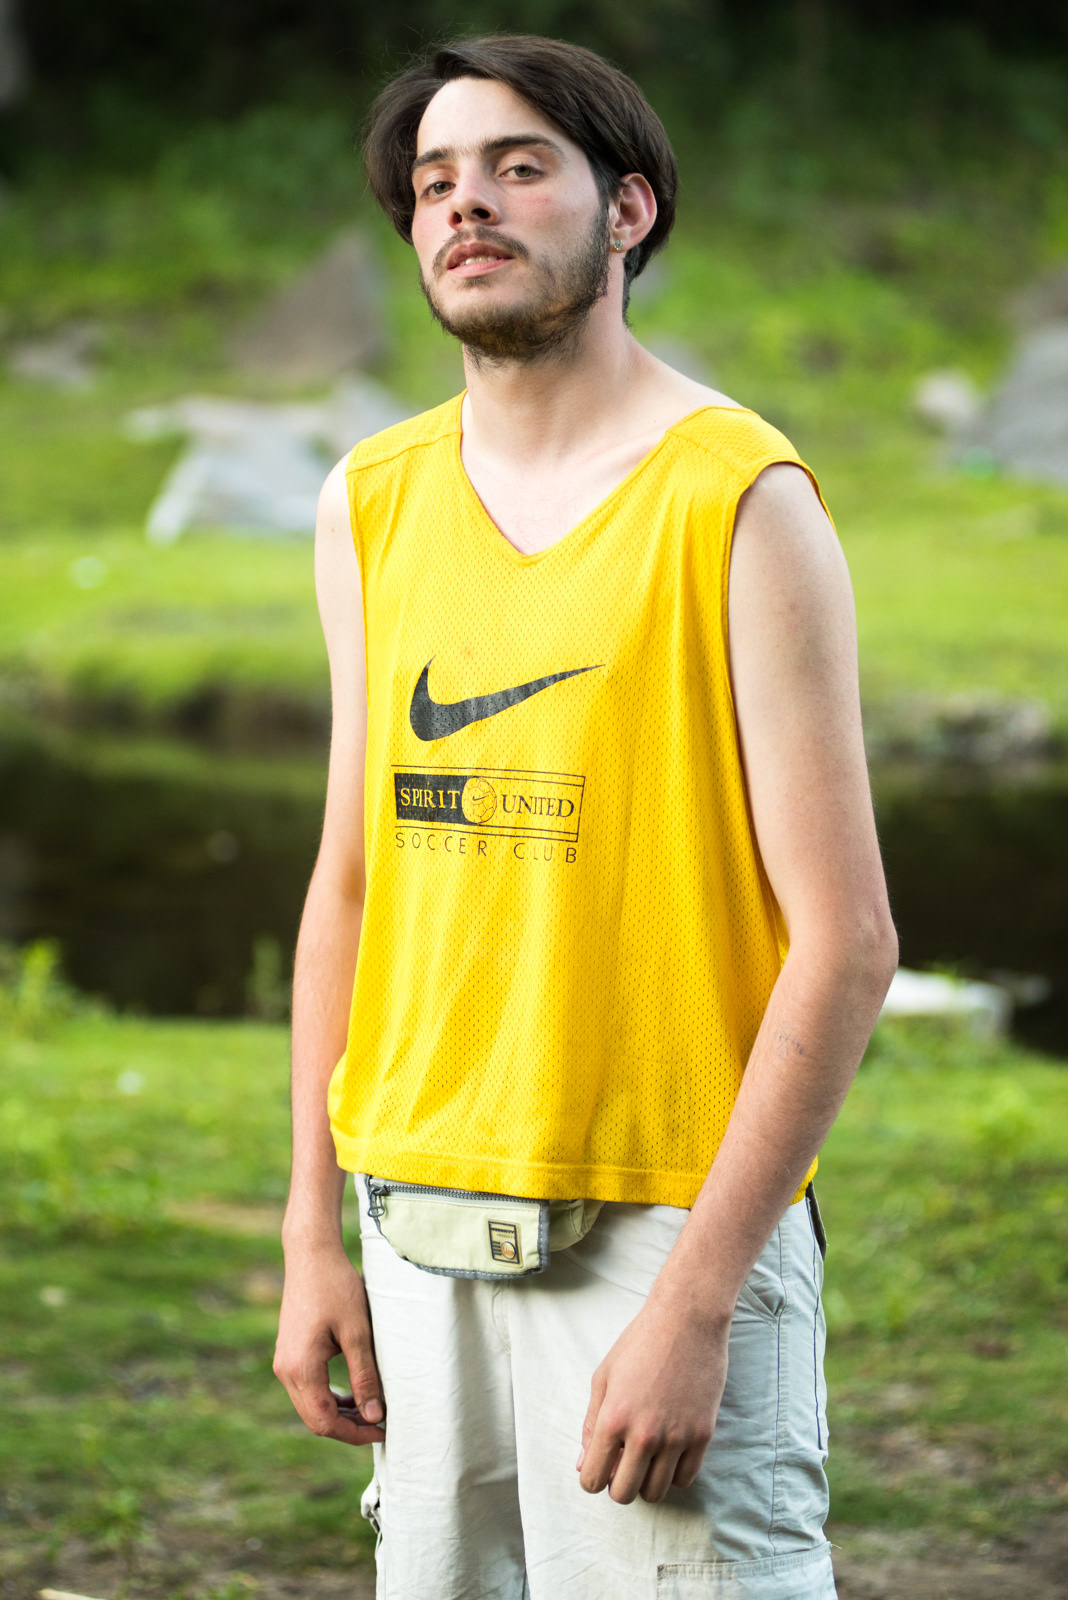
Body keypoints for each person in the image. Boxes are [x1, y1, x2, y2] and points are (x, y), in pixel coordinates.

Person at [273, 33, 898, 1600]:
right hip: (411, 1212)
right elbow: (350, 885)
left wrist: (700, 1299)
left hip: (660, 1224)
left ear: (628, 209)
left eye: (517, 167)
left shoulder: (738, 498)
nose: (464, 205)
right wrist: (311, 1234)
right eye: (434, 182)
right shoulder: (370, 501)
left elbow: (846, 941)